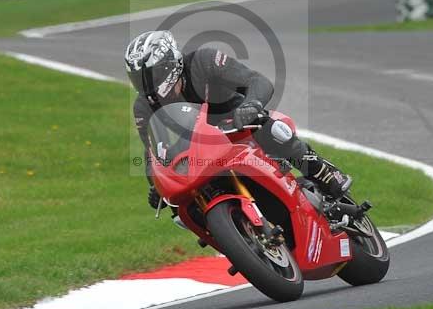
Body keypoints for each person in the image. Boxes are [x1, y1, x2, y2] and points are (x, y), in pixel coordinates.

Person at [125, 30, 352, 210]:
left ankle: (324, 173)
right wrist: (156, 183)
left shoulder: (203, 61)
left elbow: (257, 81)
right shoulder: (143, 106)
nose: (147, 86)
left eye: (151, 76)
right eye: (139, 80)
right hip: (200, 149)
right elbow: (152, 154)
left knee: (274, 131)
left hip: (238, 123)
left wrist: (250, 106)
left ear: (170, 64)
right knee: (182, 207)